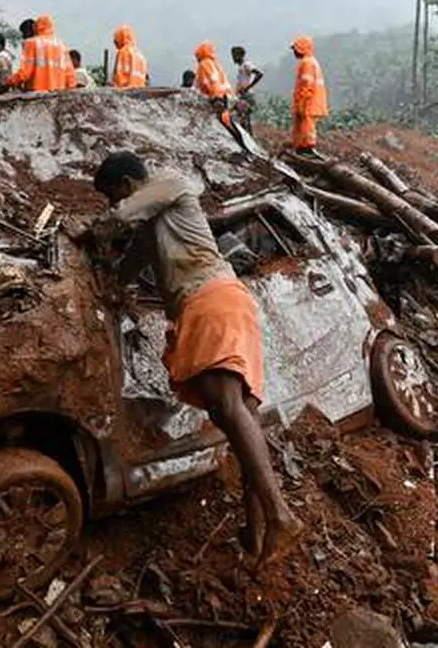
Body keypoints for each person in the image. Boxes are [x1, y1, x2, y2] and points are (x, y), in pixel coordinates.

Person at [89, 151, 303, 567]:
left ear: (130, 184)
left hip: (211, 301)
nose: (110, 206)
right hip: (220, 302)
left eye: (111, 196)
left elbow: (122, 216)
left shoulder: (169, 183)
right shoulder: (154, 230)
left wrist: (90, 227)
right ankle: (257, 531)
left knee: (227, 407)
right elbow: (123, 272)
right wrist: (108, 282)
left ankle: (280, 515)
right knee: (239, 417)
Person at [7, 15, 75, 92]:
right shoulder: (61, 45)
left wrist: (10, 81)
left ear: (35, 27)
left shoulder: (31, 43)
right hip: (57, 95)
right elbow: (70, 76)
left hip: (36, 94)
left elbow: (25, 73)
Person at [291, 36, 329, 157]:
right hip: (311, 100)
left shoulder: (306, 63)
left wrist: (302, 102)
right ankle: (302, 147)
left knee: (307, 124)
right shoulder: (311, 61)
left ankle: (306, 148)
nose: (294, 52)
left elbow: (306, 84)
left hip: (308, 101)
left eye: (295, 49)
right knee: (306, 124)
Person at [193, 41, 234, 127]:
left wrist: (216, 99)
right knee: (227, 123)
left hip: (216, 98)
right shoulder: (217, 64)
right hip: (226, 96)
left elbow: (211, 82)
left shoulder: (204, 64)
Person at [231, 46, 264, 134]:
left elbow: (259, 74)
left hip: (247, 96)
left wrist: (247, 88)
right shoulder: (241, 66)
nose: (233, 58)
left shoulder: (246, 65)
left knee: (243, 119)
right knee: (243, 119)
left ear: (239, 55)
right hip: (243, 95)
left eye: (234, 55)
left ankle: (248, 138)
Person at [112, 24, 149, 89]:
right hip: (140, 90)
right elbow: (146, 78)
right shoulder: (140, 55)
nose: (115, 42)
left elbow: (119, 77)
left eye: (116, 39)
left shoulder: (123, 52)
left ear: (121, 37)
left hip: (126, 91)